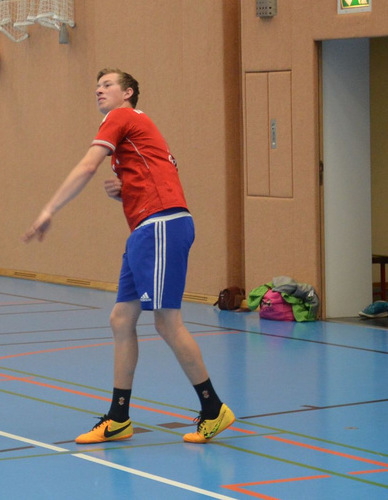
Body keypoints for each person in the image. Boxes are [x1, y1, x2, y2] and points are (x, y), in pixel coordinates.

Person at [24, 68, 235, 445]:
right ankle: (119, 418)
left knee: (167, 323)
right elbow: (162, 173)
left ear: (128, 92)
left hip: (161, 225)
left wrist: (49, 209)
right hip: (145, 229)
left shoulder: (121, 116)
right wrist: (127, 189)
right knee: (121, 319)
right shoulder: (138, 132)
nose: (99, 90)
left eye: (107, 85)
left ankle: (213, 408)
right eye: (96, 86)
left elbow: (88, 165)